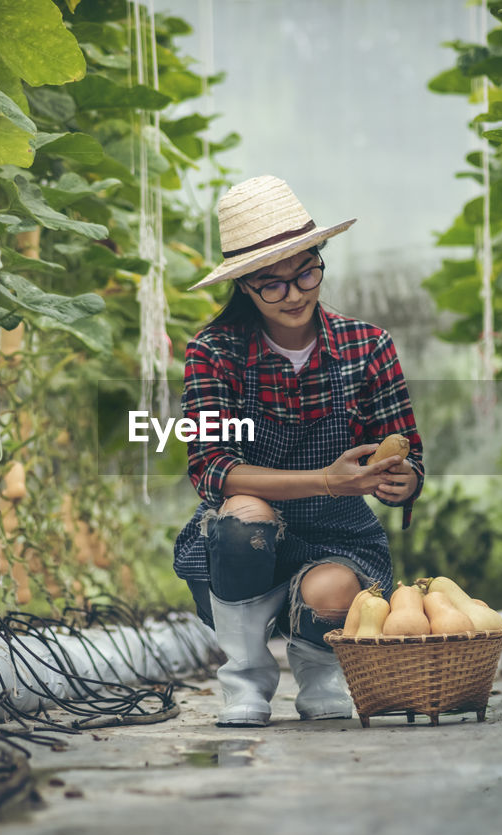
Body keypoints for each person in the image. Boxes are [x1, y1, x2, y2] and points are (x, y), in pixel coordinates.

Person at [173, 175, 425, 726]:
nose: (295, 294)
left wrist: (403, 480)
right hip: (245, 539)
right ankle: (245, 681)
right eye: (272, 284)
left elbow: (409, 450)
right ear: (243, 286)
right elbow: (212, 468)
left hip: (338, 535)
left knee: (333, 593)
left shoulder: (368, 346)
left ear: (319, 259)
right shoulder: (214, 352)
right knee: (243, 520)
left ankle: (321, 674)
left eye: (306, 271)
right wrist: (326, 480)